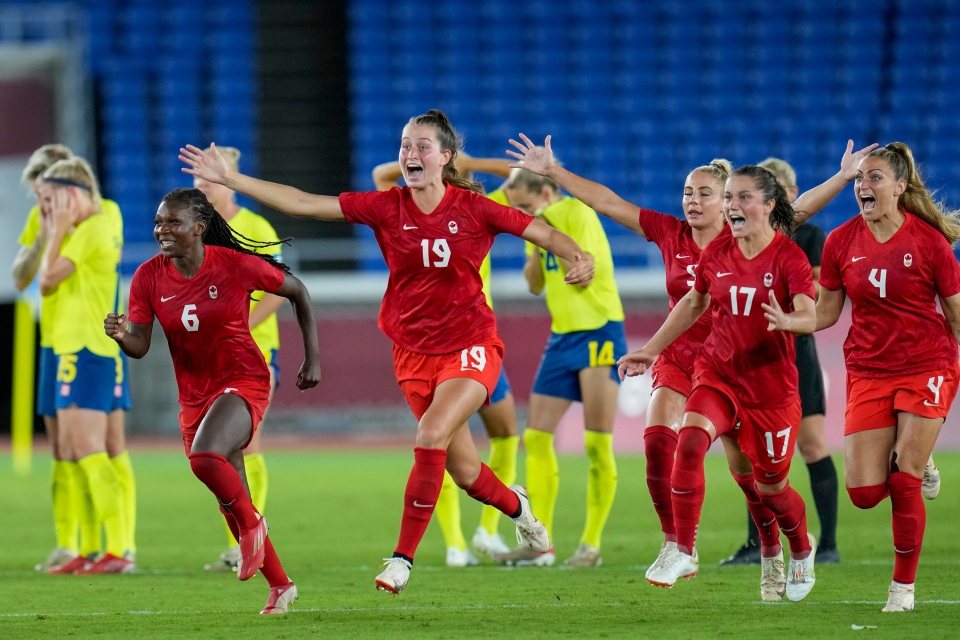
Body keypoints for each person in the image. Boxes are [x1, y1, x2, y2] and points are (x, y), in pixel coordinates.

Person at [179, 108, 594, 595]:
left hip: (472, 345)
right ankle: (520, 509)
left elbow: (542, 231)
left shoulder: (475, 208)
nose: (410, 154)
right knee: (464, 472)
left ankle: (401, 559)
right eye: (404, 145)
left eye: (421, 146)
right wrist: (231, 179)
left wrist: (578, 256)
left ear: (445, 157)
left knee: (430, 433)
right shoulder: (385, 206)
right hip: (413, 354)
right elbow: (302, 202)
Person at [506, 135, 876, 586]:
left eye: (704, 193)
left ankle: (774, 548)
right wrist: (554, 170)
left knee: (753, 480)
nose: (692, 201)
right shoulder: (669, 233)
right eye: (687, 192)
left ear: (727, 203)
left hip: (746, 365)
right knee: (661, 441)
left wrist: (841, 177)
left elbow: (799, 210)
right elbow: (608, 202)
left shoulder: (745, 235)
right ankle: (677, 544)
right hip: (687, 362)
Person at [104, 187, 320, 614]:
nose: (162, 230)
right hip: (194, 393)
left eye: (173, 222)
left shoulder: (234, 265)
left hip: (243, 379)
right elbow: (141, 346)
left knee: (204, 457)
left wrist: (313, 358)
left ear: (199, 228)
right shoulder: (148, 276)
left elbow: (297, 291)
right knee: (228, 497)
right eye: (159, 222)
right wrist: (120, 336)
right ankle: (281, 585)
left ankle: (254, 526)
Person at [618, 165, 819, 602]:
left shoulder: (789, 258)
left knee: (771, 490)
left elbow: (811, 312)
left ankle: (800, 547)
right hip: (718, 373)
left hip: (769, 389)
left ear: (768, 206)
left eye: (742, 198)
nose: (732, 206)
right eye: (729, 198)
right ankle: (683, 549)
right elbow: (694, 302)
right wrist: (650, 349)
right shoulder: (718, 252)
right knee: (688, 440)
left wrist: (790, 321)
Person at [815, 142, 960, 612]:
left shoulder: (929, 243)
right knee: (863, 493)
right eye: (860, 179)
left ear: (899, 187)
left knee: (904, 478)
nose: (863, 186)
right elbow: (826, 313)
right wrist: (786, 319)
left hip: (927, 365)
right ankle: (923, 453)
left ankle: (902, 590)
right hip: (868, 370)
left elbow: (955, 316)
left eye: (874, 177)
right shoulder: (840, 241)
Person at [373, 156, 519, 565]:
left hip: (472, 339)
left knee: (505, 432)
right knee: (445, 446)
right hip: (429, 345)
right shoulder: (415, 203)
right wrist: (429, 169)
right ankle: (455, 541)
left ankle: (490, 530)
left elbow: (522, 180)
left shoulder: (481, 206)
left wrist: (472, 163)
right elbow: (380, 178)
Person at [493, 166, 624, 568]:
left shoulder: (576, 214)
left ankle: (591, 545)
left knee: (596, 444)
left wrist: (552, 238)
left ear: (547, 192)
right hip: (562, 336)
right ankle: (540, 543)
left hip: (599, 331)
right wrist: (534, 243)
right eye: (518, 208)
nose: (522, 214)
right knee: (534, 437)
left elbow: (582, 275)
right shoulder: (539, 225)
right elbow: (534, 285)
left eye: (526, 206)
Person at [720, 157, 840, 566]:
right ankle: (758, 546)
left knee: (811, 444)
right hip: (745, 359)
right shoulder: (739, 239)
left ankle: (827, 544)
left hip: (794, 353)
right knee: (752, 455)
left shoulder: (805, 238)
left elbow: (820, 294)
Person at [35, 157, 136, 574]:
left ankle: (116, 550)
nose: (47, 209)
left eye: (51, 200)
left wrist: (55, 230)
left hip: (84, 348)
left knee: (88, 449)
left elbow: (46, 277)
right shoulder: (96, 224)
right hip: (88, 347)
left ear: (72, 195)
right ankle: (95, 548)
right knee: (86, 450)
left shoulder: (91, 226)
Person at [192, 146, 286, 573]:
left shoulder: (254, 226)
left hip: (253, 351)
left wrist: (241, 325)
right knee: (220, 452)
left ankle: (251, 535)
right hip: (212, 356)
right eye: (196, 181)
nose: (199, 187)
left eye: (207, 180)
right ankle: (242, 536)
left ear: (228, 180)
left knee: (248, 444)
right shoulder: (198, 230)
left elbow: (279, 288)